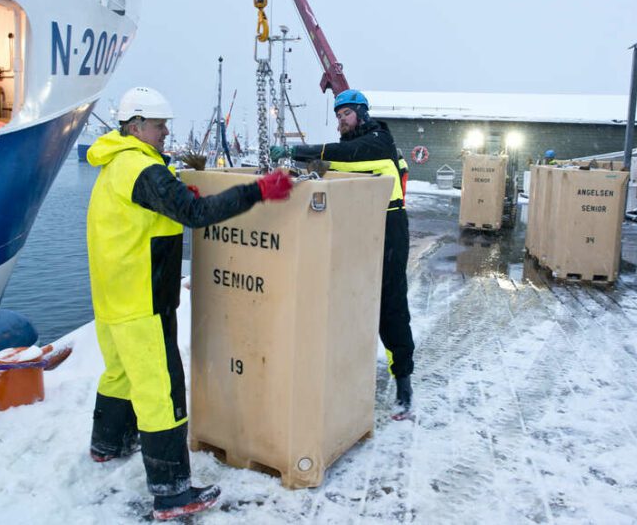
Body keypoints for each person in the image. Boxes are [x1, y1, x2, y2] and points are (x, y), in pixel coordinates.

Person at [86, 86, 293, 521]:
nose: (165, 132)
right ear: (136, 126)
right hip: (142, 300)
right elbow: (195, 215)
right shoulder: (144, 169)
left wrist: (180, 193)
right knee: (161, 392)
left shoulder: (117, 164)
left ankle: (107, 444)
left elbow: (157, 209)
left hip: (112, 296)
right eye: (159, 125)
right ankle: (172, 493)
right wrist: (258, 191)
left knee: (120, 374)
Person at [270, 89, 415, 417]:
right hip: (357, 228)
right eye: (338, 116)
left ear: (362, 113)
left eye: (346, 113)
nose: (341, 120)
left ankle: (403, 381)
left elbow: (347, 156)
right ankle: (347, 374)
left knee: (391, 304)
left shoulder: (379, 141)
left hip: (389, 227)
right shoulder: (352, 146)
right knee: (350, 301)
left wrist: (296, 150)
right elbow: (334, 165)